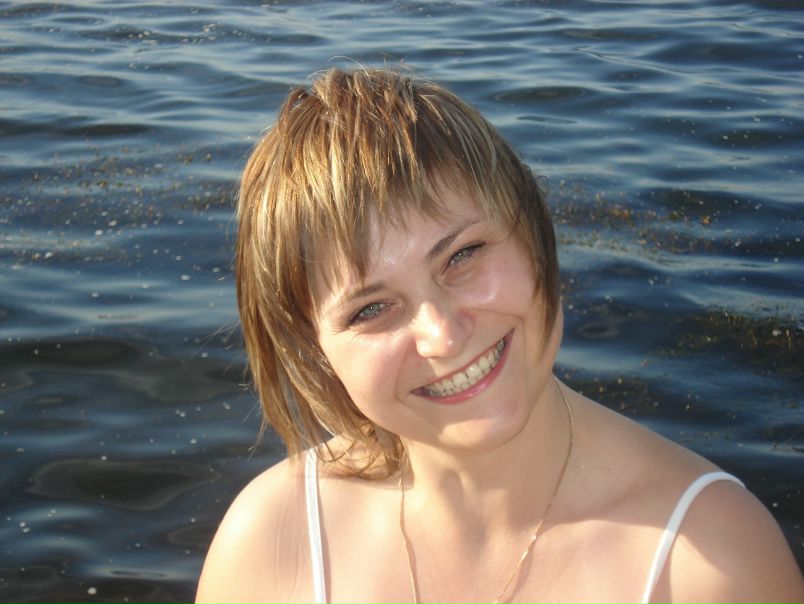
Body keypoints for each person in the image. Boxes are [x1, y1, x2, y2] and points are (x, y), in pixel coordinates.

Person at [196, 67, 803, 603]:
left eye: (462, 256)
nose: (442, 335)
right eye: (371, 308)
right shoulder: (272, 542)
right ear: (314, 351)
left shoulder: (713, 561)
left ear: (534, 234)